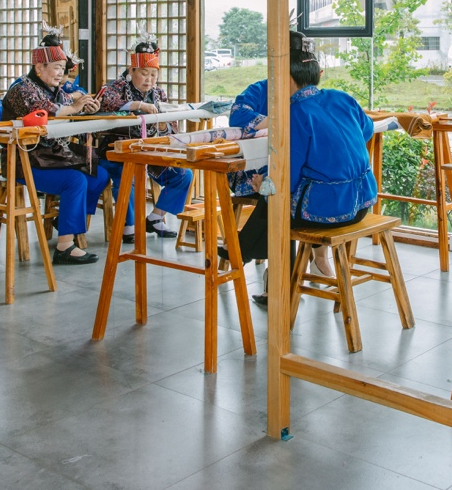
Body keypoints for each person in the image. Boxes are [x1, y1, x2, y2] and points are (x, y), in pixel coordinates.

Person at [230, 31, 379, 302]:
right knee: (277, 194)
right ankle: (248, 254)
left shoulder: (295, 113)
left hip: (329, 210)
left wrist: (264, 183)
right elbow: (366, 130)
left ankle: (261, 268)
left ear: (285, 78)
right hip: (362, 203)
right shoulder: (342, 98)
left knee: (274, 199)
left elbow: (286, 175)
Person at [2, 33, 109, 264]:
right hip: (26, 160)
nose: (61, 73)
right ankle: (65, 247)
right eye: (57, 67)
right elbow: (45, 111)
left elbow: (69, 106)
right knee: (75, 181)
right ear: (39, 67)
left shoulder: (56, 90)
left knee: (99, 174)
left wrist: (87, 108)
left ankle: (68, 219)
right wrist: (74, 107)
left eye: (63, 68)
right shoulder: (22, 89)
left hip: (54, 157)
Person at [97, 38, 194, 244]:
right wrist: (138, 105)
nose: (149, 79)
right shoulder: (116, 87)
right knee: (127, 175)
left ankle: (155, 217)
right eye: (143, 73)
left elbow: (171, 126)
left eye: (153, 74)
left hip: (149, 151)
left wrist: (163, 126)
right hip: (118, 151)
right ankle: (129, 224)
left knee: (183, 174)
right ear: (131, 70)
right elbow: (105, 103)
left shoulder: (158, 93)